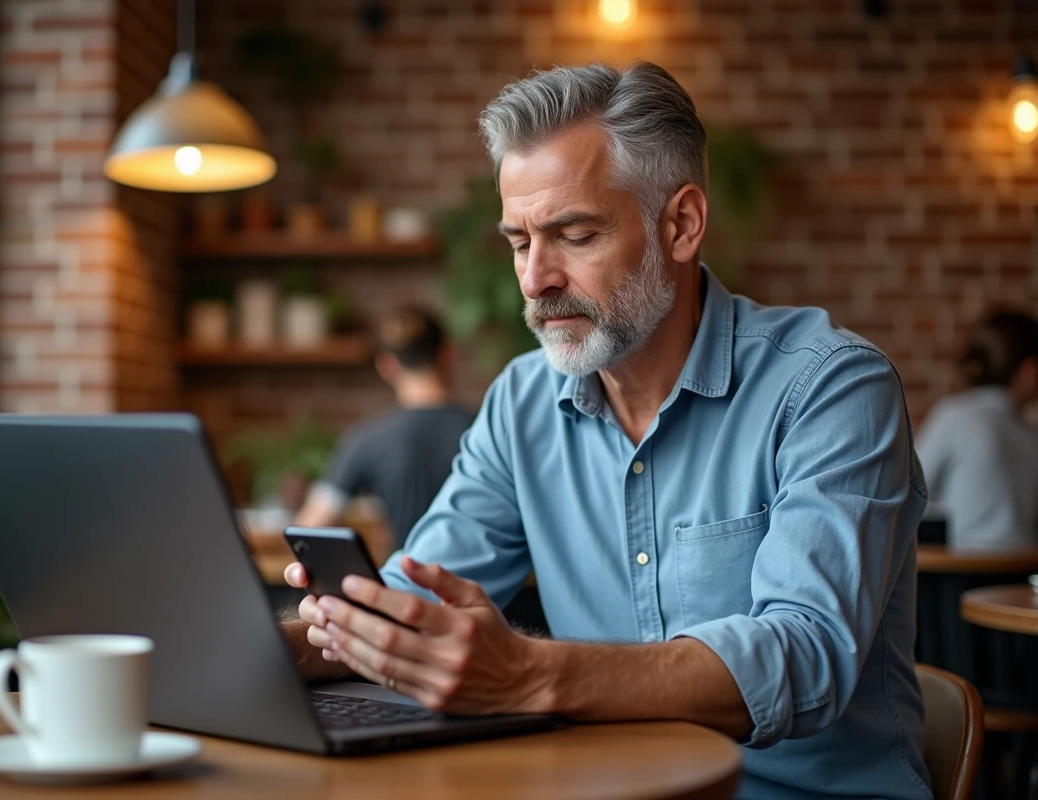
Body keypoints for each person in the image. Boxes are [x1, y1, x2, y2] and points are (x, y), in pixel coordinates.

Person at [282, 63, 930, 800]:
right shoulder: (523, 400)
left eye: (575, 235)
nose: (535, 279)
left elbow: (805, 656)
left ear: (681, 225)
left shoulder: (830, 387)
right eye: (519, 242)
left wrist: (526, 676)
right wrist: (264, 649)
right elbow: (411, 602)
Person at [294, 306, 475, 547]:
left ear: (387, 366)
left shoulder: (368, 438)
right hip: (485, 583)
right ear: (447, 354)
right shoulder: (487, 429)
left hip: (403, 580)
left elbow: (309, 529)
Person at [916, 310, 1038, 550]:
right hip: (1025, 572)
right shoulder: (1031, 436)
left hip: (962, 573)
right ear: (1029, 371)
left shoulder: (952, 416)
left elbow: (912, 492)